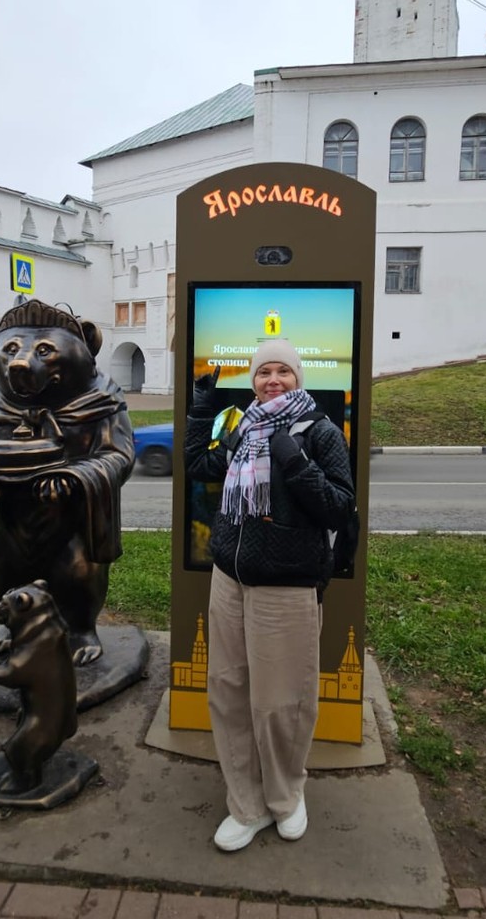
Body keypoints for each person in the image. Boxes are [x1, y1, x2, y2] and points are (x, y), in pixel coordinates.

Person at [184, 339, 355, 852]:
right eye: (264, 373)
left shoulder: (320, 431)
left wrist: (294, 460)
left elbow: (338, 508)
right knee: (229, 691)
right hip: (229, 580)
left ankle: (285, 796)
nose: (272, 380)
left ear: (297, 378)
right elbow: (199, 465)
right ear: (254, 381)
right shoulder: (243, 428)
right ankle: (247, 804)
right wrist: (201, 408)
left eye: (283, 371)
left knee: (280, 702)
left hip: (287, 587)